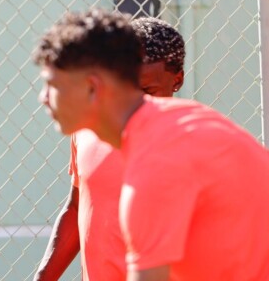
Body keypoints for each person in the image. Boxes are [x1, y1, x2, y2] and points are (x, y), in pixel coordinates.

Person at [33, 9, 269, 281]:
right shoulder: (171, 127)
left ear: (93, 87)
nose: (43, 97)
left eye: (52, 85)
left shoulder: (158, 160)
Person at [34, 17, 185, 281]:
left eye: (149, 90)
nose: (137, 102)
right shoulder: (87, 128)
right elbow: (77, 207)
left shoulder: (194, 143)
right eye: (128, 88)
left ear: (177, 80)